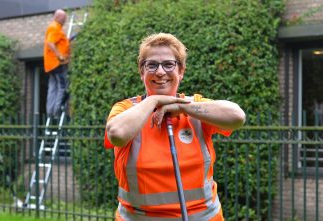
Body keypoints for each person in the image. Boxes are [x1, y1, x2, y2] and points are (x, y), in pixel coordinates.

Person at [104, 33, 246, 221]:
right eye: (151, 65)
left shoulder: (194, 106)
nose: (160, 72)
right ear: (141, 72)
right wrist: (154, 100)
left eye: (169, 64)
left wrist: (181, 106)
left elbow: (237, 116)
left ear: (181, 71)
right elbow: (117, 134)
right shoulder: (126, 109)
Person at [44, 9, 70, 121]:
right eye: (64, 19)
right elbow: (50, 43)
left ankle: (50, 111)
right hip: (57, 63)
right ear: (58, 17)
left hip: (50, 64)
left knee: (53, 86)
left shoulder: (55, 28)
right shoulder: (55, 27)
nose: (65, 21)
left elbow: (58, 42)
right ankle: (56, 111)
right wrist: (59, 55)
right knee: (62, 87)